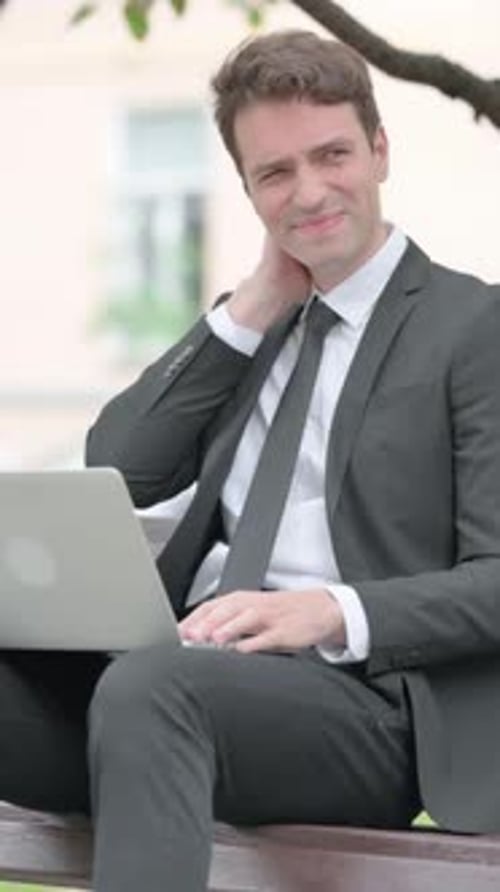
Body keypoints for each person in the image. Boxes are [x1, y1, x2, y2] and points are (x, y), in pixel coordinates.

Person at [85, 30, 500, 892]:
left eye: (333, 154)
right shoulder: (251, 330)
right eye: (275, 173)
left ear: (380, 151)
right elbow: (117, 467)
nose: (309, 192)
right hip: (185, 687)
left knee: (154, 690)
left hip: (372, 711)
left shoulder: (475, 327)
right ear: (247, 189)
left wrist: (330, 611)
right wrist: (249, 309)